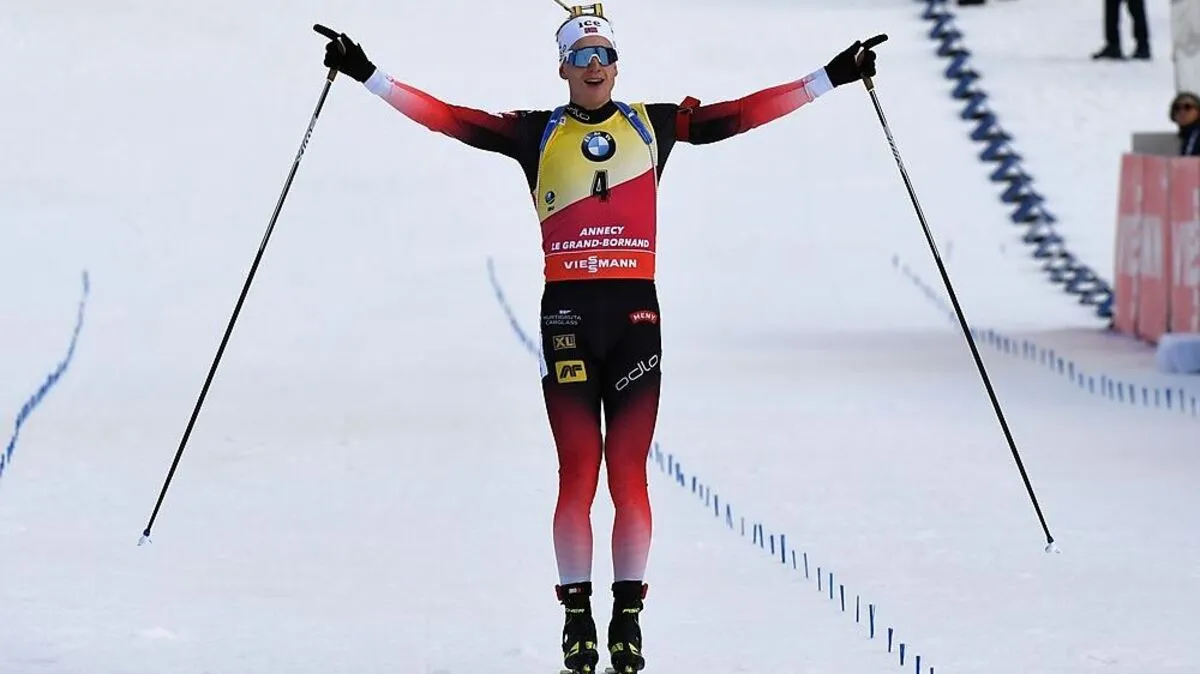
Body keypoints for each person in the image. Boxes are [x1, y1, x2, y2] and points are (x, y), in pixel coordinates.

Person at [318, 6, 881, 673]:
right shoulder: (535, 133)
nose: (593, 67)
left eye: (603, 56)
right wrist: (365, 73)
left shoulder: (651, 124)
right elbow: (447, 118)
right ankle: (578, 618)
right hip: (568, 318)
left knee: (629, 475)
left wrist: (831, 76)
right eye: (580, 57)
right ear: (562, 67)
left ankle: (629, 619)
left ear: (617, 65)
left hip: (634, 316)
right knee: (579, 472)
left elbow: (736, 117)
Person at [1171, 92, 1200, 156]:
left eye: (1187, 107)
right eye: (1177, 108)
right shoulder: (1186, 137)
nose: (1182, 111)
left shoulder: (1196, 135)